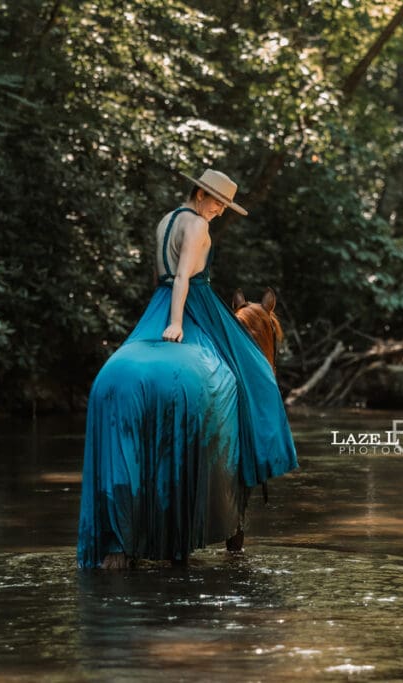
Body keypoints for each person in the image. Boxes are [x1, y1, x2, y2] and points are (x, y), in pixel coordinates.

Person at [76, 169, 298, 569]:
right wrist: (176, 323)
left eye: (223, 206)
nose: (218, 211)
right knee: (257, 376)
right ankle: (254, 461)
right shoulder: (196, 223)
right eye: (216, 202)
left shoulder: (167, 220)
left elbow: (161, 273)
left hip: (156, 303)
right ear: (200, 193)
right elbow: (181, 277)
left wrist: (162, 313)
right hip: (191, 306)